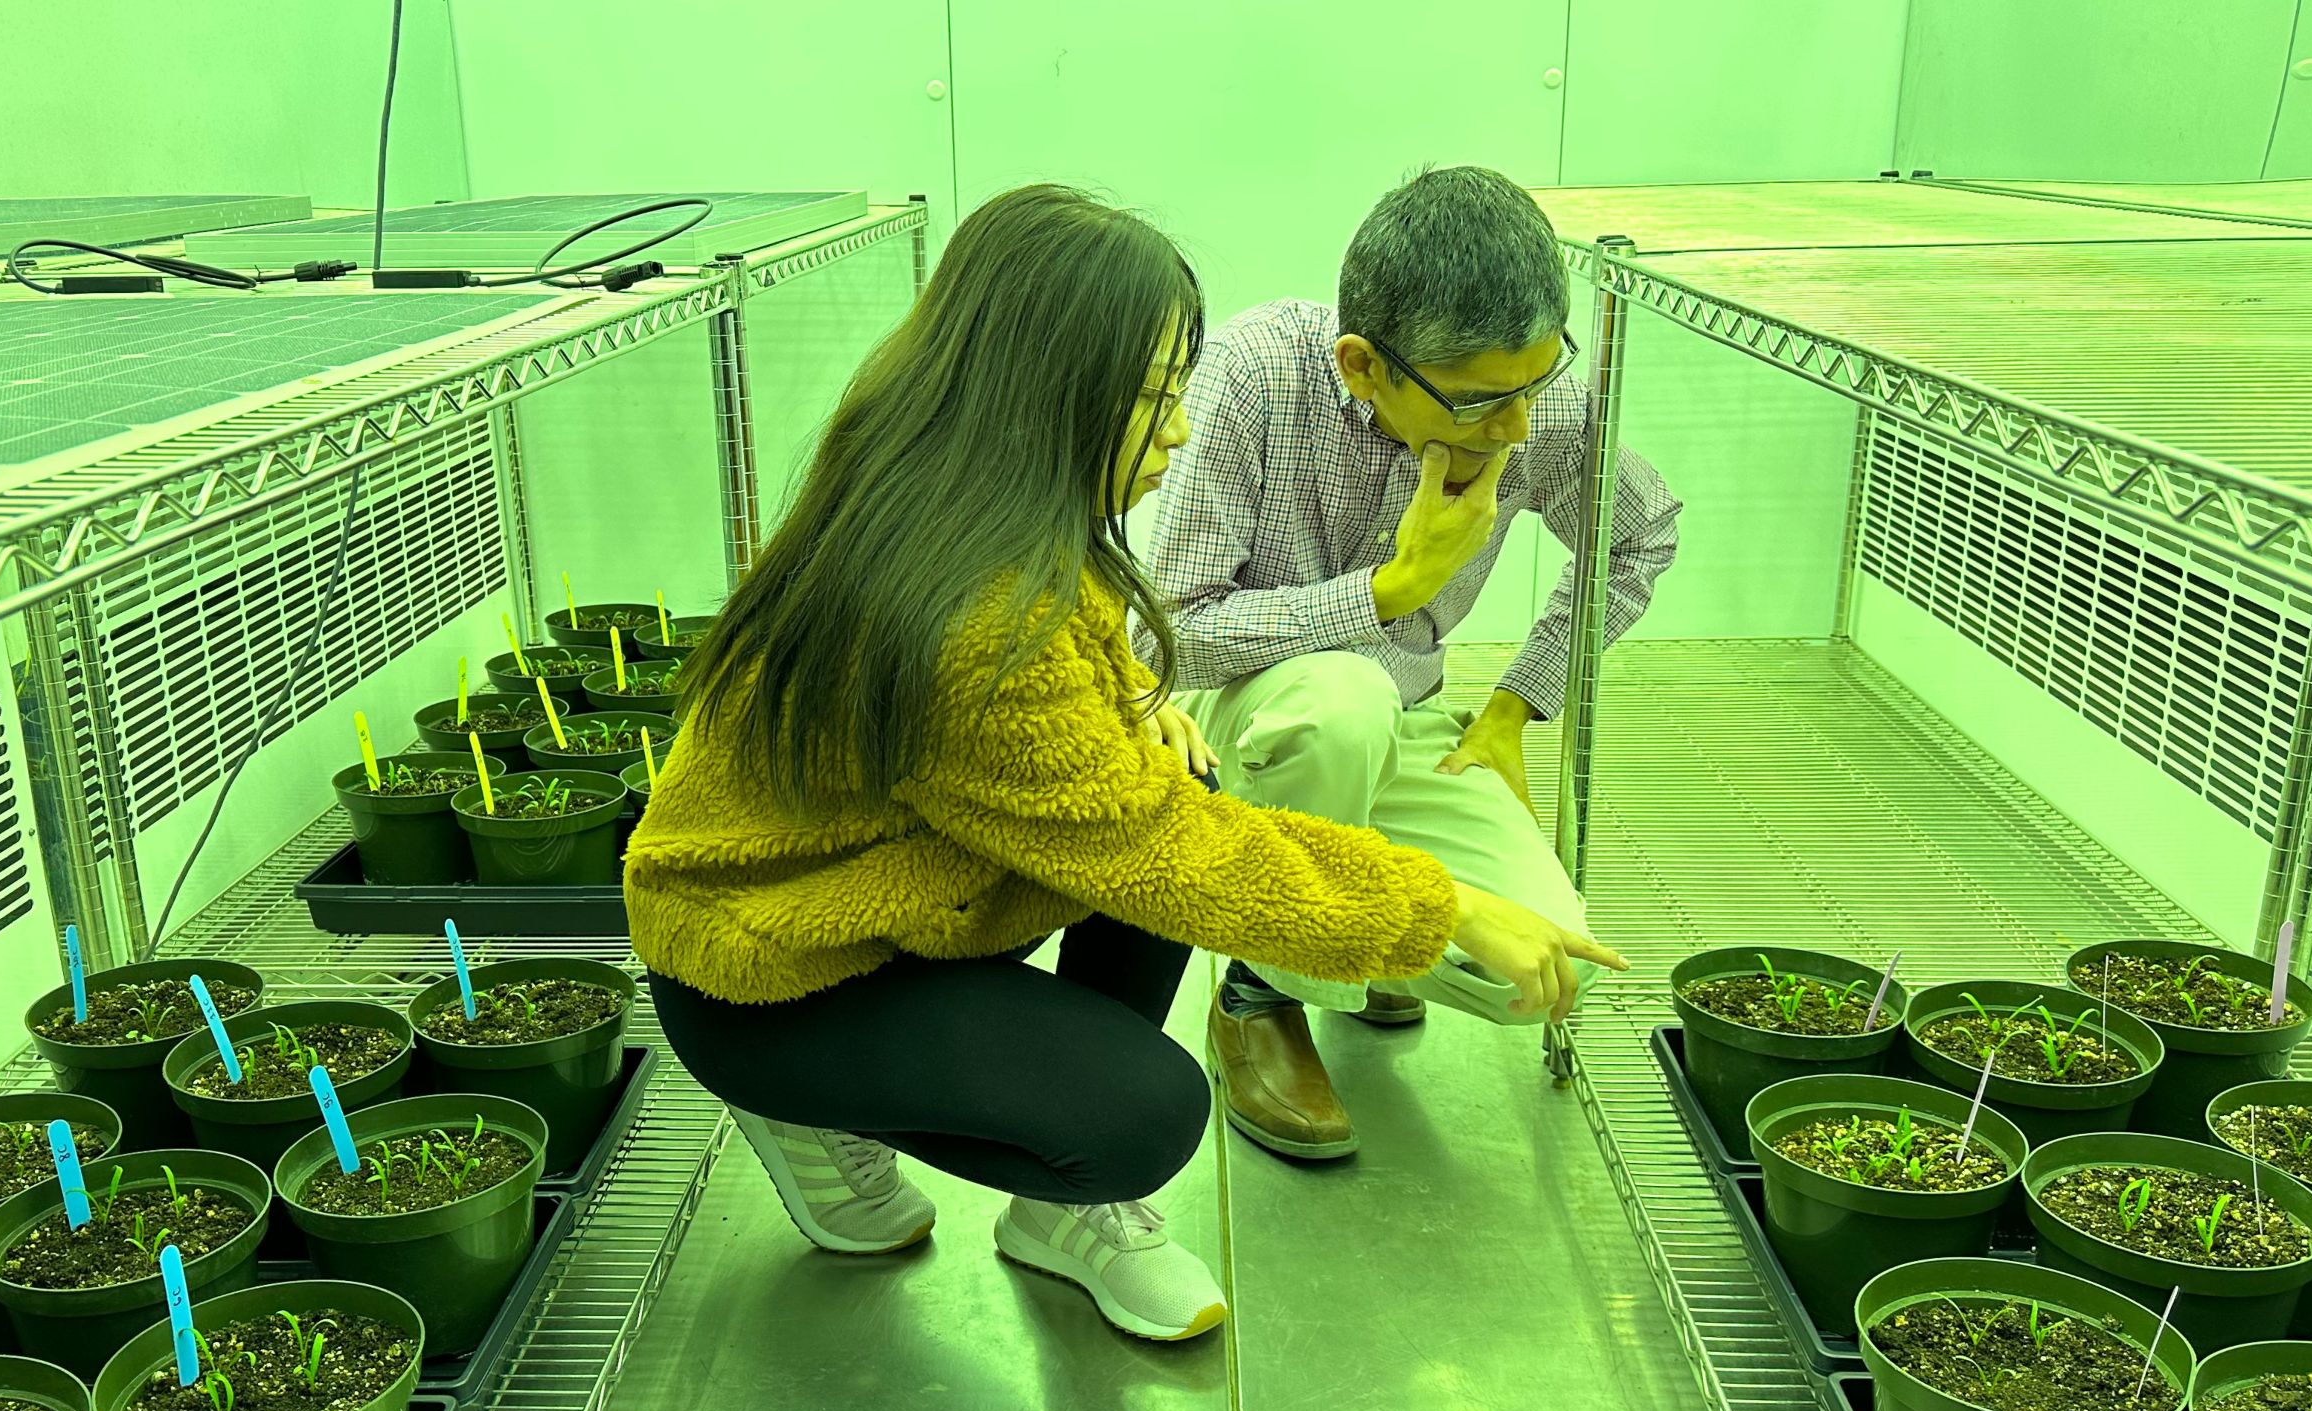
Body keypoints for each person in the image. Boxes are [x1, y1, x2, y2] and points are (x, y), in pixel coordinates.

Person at [624, 185, 1627, 1344]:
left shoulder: (962, 491)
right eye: (1155, 404)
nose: (1184, 434)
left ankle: (1048, 1212)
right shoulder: (974, 622)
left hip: (878, 897)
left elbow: (1123, 720)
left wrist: (1137, 702)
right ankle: (817, 1109)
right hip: (766, 967)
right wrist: (1443, 901)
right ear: (1042, 399)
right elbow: (1172, 850)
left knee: (1181, 781)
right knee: (1142, 1113)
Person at [1145, 165, 1683, 1164]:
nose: (1517, 428)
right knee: (1340, 701)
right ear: (1361, 365)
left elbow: (1638, 538)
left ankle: (1366, 932)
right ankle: (1258, 995)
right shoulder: (1258, 376)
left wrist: (1515, 706)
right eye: (1483, 403)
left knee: (1549, 973)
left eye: (1538, 383)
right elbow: (1166, 631)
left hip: (1409, 723)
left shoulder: (1536, 406)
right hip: (1249, 732)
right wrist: (1384, 594)